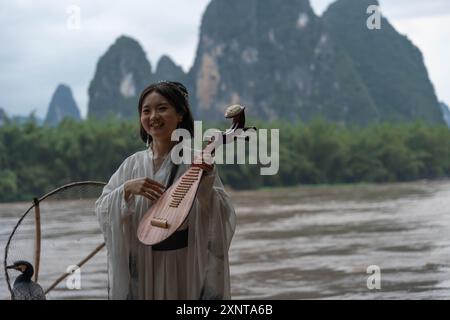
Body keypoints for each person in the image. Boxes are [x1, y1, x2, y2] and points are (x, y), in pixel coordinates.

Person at [95, 81, 236, 300]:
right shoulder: (131, 165)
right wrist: (126, 190)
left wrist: (206, 180)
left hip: (185, 264)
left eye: (162, 108)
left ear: (179, 114)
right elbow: (102, 208)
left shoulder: (196, 160)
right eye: (146, 111)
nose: (153, 116)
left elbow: (223, 212)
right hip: (144, 264)